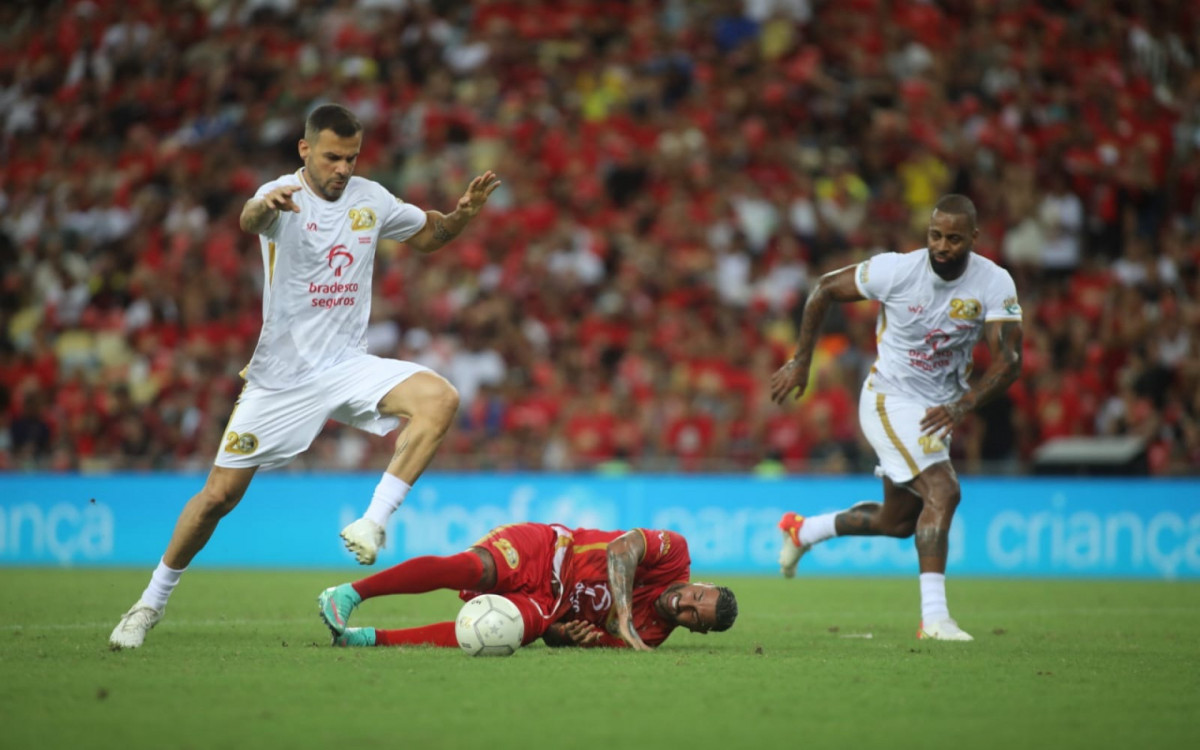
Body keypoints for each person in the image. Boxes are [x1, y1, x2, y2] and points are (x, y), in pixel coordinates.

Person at [109, 104, 500, 650]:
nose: (343, 168)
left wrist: (461, 215)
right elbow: (250, 218)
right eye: (333, 156)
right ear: (305, 149)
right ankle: (149, 603)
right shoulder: (280, 196)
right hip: (282, 378)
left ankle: (373, 521)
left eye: (351, 157)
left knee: (440, 398)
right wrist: (261, 207)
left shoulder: (371, 198)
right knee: (218, 497)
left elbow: (431, 235)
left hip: (347, 365)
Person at [770, 194, 1023, 641]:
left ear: (973, 238)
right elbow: (824, 288)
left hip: (939, 410)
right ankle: (935, 619)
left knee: (898, 521)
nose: (941, 246)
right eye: (935, 235)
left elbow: (1010, 360)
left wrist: (963, 404)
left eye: (953, 239)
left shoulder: (994, 282)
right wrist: (801, 360)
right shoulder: (897, 270)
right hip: (890, 399)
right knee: (943, 490)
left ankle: (803, 531)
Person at [316, 522, 739, 650]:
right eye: (696, 595)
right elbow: (621, 550)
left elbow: (562, 638)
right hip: (550, 550)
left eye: (693, 615)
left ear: (695, 629)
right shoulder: (675, 553)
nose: (684, 604)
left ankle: (363, 639)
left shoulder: (650, 636)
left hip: (548, 605)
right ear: (701, 582)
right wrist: (624, 614)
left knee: (498, 632)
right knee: (474, 569)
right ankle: (349, 593)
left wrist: (566, 635)